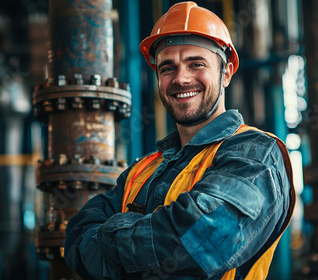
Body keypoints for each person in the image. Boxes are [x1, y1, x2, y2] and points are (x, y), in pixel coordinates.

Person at [64, 2, 296, 279]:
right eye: (167, 68)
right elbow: (76, 240)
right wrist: (150, 241)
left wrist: (110, 236)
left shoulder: (256, 154)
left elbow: (199, 245)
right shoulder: (142, 170)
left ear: (227, 72)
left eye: (196, 64)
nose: (181, 78)